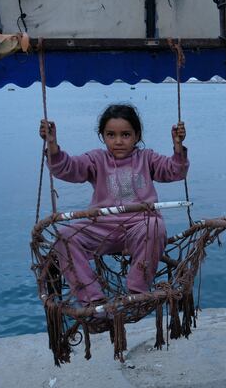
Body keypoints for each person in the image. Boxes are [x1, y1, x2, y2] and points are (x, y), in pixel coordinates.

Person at [38, 104, 188, 308]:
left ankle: (137, 292)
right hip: (102, 227)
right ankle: (93, 301)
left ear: (137, 136)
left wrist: (178, 147)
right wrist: (52, 144)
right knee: (64, 237)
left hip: (140, 226)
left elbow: (175, 171)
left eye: (125, 135)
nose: (118, 141)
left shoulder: (147, 158)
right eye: (111, 135)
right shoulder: (96, 159)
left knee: (156, 226)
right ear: (102, 136)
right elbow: (67, 169)